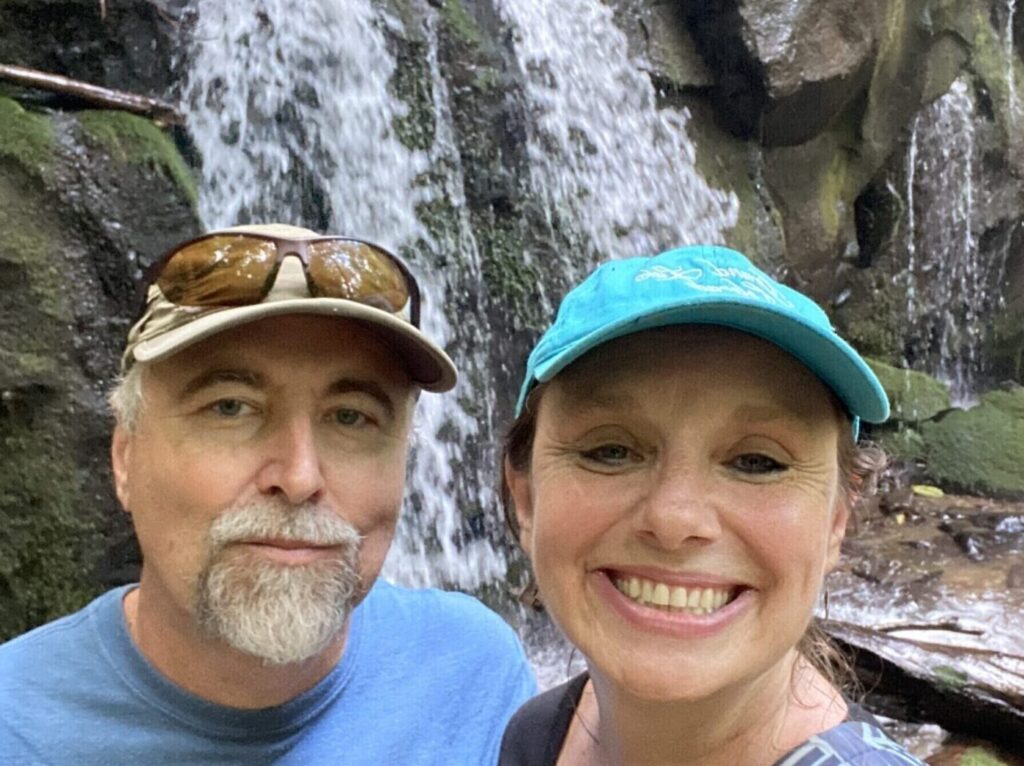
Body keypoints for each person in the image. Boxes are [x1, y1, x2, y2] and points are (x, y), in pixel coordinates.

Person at [0, 224, 536, 765]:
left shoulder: (476, 677)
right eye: (230, 407)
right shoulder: (14, 726)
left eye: (351, 417)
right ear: (124, 458)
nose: (300, 477)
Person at [498, 245, 925, 765]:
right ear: (525, 498)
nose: (675, 520)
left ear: (837, 519)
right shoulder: (538, 733)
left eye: (757, 461)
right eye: (609, 451)